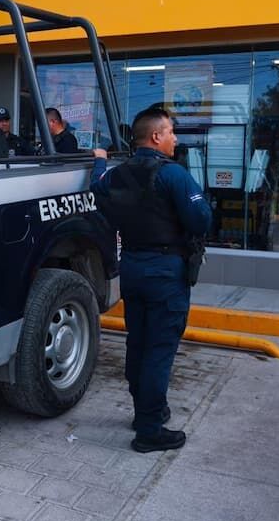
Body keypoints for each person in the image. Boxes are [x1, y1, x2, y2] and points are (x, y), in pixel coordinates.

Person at [90, 107, 211, 453]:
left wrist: (100, 160)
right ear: (156, 137)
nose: (176, 138)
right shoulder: (174, 175)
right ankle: (149, 430)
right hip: (165, 272)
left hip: (132, 268)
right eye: (171, 131)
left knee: (138, 343)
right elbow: (201, 220)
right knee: (159, 350)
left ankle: (146, 410)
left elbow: (96, 191)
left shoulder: (118, 174)